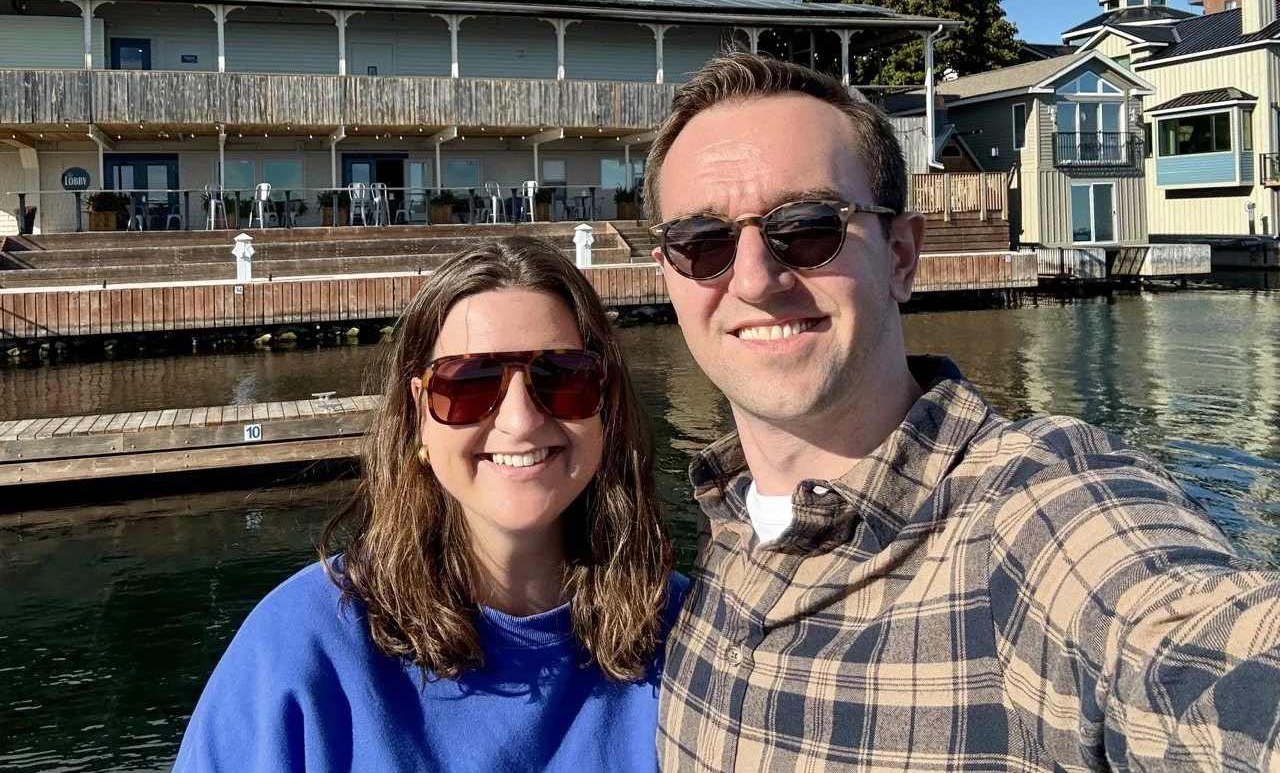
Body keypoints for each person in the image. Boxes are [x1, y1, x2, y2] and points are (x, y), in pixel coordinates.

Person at [646, 52, 1280, 772]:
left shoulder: (1030, 518)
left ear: (902, 256)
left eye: (810, 226)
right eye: (703, 243)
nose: (756, 277)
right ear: (669, 275)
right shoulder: (719, 532)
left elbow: (1181, 639)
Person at [175, 234, 683, 772]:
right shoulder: (302, 646)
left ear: (605, 402)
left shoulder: (685, 631)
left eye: (562, 378)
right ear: (420, 412)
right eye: (470, 383)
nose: (519, 420)